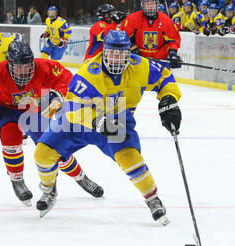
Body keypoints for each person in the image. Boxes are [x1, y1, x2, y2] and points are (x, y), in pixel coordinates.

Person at [33, 30, 182, 221]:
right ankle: (48, 189)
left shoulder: (141, 66)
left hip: (117, 118)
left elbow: (165, 78)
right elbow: (72, 107)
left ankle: (152, 198)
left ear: (129, 53)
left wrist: (169, 99)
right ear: (104, 52)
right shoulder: (89, 71)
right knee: (42, 153)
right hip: (81, 121)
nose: (117, 59)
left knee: (131, 160)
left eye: (122, 54)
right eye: (112, 53)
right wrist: (97, 121)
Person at [0, 41, 103, 207]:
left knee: (52, 145)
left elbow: (70, 82)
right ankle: (17, 180)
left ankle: (80, 177)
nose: (24, 71)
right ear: (9, 64)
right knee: (11, 136)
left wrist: (58, 95)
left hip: (33, 107)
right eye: (19, 67)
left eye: (28, 66)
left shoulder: (44, 66)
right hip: (2, 108)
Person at [119, 0, 182, 68]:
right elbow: (122, 37)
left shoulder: (166, 20)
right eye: (147, 4)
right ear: (143, 5)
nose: (150, 6)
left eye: (152, 3)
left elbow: (173, 40)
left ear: (156, 4)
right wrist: (132, 48)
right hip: (138, 61)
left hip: (159, 62)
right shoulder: (132, 19)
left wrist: (173, 53)